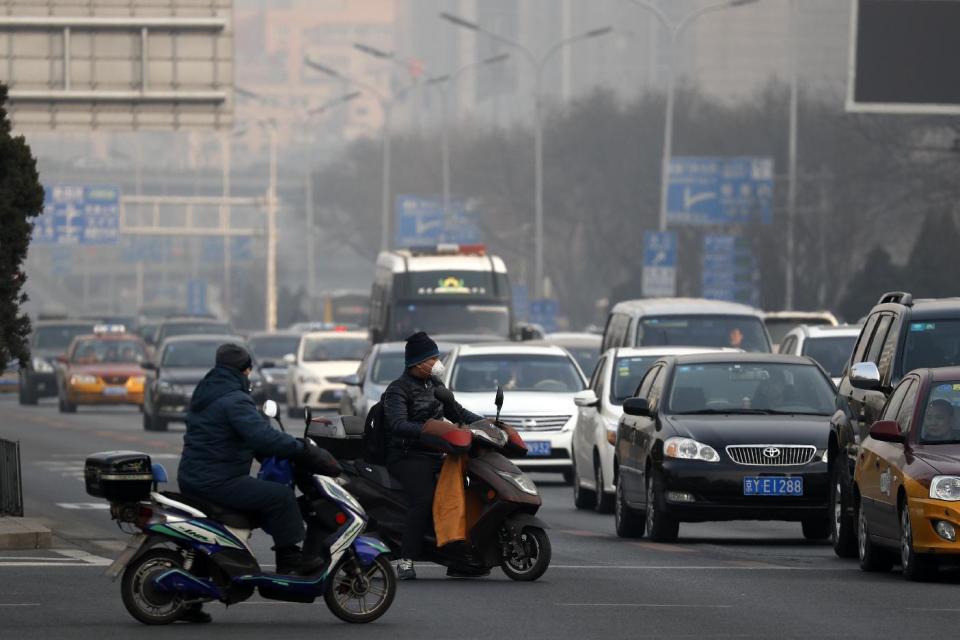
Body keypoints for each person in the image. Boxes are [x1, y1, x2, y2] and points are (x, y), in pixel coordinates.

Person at [177, 343, 335, 622]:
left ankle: (189, 600)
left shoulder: (208, 391)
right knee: (280, 497)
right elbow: (262, 436)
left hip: (197, 476)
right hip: (217, 480)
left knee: (253, 506)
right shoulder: (234, 399)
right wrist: (303, 450)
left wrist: (270, 453)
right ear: (245, 370)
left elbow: (240, 438)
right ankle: (290, 563)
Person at [383, 331, 483, 581]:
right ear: (418, 362)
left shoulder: (436, 386)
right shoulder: (398, 389)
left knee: (465, 492)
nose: (437, 363)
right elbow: (397, 424)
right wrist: (431, 430)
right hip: (407, 456)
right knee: (424, 499)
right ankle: (405, 560)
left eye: (438, 357)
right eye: (432, 359)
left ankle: (457, 555)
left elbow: (457, 412)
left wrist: (486, 425)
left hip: (438, 453)